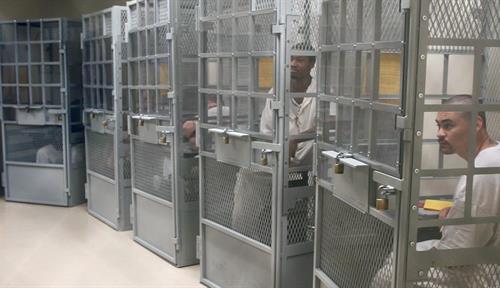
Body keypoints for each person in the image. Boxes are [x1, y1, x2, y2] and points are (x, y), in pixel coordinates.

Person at [417, 94, 500, 250]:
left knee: (398, 261)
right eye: (438, 126)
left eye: (448, 126)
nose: (439, 133)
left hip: (479, 270)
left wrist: (445, 224)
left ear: (476, 124)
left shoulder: (481, 170)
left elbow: (458, 249)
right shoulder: (494, 154)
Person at [260, 51, 317, 166]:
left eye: (300, 60)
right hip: (280, 156)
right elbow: (267, 129)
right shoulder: (276, 92)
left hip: (312, 157)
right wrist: (279, 152)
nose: (293, 64)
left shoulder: (320, 91)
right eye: (290, 59)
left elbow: (329, 125)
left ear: (312, 63)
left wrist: (296, 139)